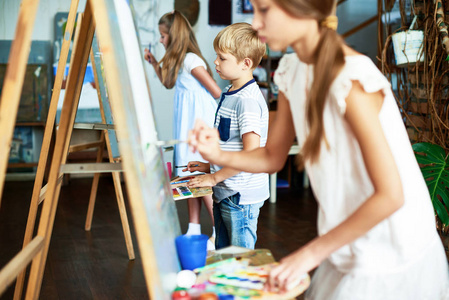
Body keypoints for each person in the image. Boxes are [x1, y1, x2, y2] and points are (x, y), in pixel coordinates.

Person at [187, 0, 449, 299]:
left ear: (303, 8)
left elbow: (390, 195)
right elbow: (273, 156)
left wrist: (307, 256)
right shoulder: (290, 68)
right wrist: (216, 155)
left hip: (391, 249)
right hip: (345, 239)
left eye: (265, 10)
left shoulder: (352, 78)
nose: (256, 23)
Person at [183, 22, 269, 250]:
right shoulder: (230, 93)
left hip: (241, 195)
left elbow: (250, 154)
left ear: (245, 64)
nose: (215, 62)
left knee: (239, 260)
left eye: (222, 58)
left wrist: (213, 177)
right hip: (226, 189)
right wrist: (208, 167)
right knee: (224, 255)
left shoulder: (247, 100)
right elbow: (229, 145)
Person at [144, 11, 221, 249]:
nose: (161, 40)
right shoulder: (181, 62)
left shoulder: (191, 61)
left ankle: (219, 232)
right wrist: (155, 63)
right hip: (187, 128)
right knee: (188, 176)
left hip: (199, 127)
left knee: (199, 178)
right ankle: (194, 228)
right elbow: (168, 83)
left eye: (163, 36)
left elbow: (217, 92)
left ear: (174, 36)